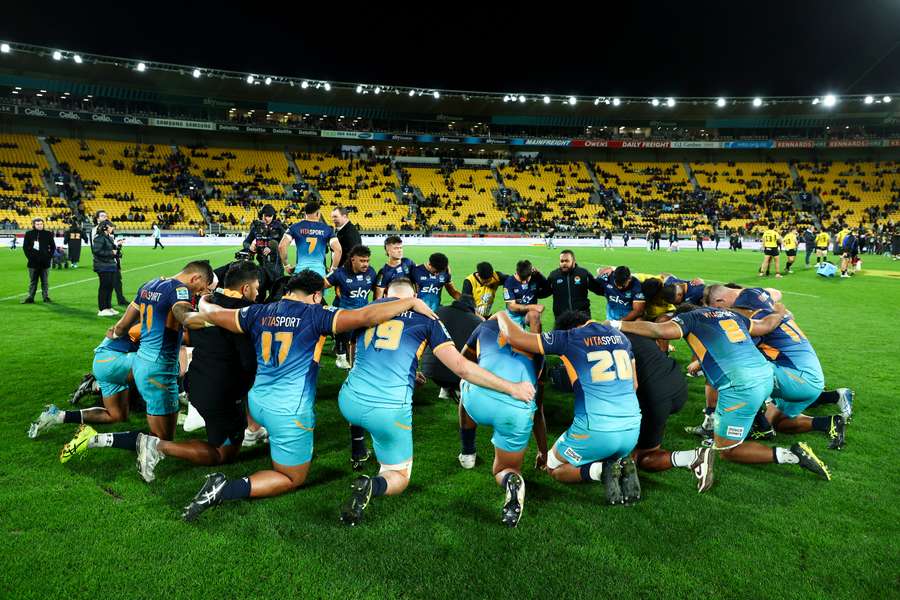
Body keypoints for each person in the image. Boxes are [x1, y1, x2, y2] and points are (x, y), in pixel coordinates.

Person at [179, 271, 438, 521]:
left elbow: (215, 314)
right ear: (316, 295)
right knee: (291, 477)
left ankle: (260, 438)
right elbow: (367, 316)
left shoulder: (258, 311)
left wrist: (204, 300)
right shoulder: (315, 314)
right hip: (289, 412)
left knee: (284, 441)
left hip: (257, 403)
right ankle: (223, 489)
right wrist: (412, 301)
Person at [336, 277, 536, 526]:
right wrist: (512, 388)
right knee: (397, 473)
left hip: (348, 399)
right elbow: (462, 368)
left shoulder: (367, 310)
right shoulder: (426, 318)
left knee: (362, 406)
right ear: (415, 295)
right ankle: (372, 485)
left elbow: (358, 354)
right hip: (387, 410)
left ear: (386, 293)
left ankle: (358, 448)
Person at [616, 305, 832, 492]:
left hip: (742, 385)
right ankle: (756, 425)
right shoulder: (729, 315)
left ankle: (792, 454)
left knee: (728, 450)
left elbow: (659, 330)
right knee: (737, 400)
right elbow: (765, 326)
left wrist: (617, 324)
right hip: (767, 376)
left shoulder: (691, 318)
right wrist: (780, 311)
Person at [59, 261, 214, 469]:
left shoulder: (149, 285)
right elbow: (183, 314)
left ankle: (101, 438)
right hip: (159, 368)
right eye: (203, 287)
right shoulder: (180, 289)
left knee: (159, 437)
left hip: (141, 363)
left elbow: (123, 326)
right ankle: (94, 439)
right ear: (195, 278)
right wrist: (217, 319)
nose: (200, 292)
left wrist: (113, 334)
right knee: (162, 440)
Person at [125, 261, 264, 482]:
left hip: (194, 383)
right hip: (215, 390)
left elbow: (188, 334)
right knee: (222, 453)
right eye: (256, 288)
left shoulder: (205, 302)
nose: (258, 293)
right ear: (245, 289)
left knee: (216, 422)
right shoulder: (242, 313)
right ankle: (157, 446)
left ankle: (236, 428)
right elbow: (249, 363)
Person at [496, 310, 641, 505]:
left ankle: (602, 471)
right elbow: (634, 385)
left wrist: (500, 315)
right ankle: (619, 462)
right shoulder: (621, 337)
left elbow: (515, 337)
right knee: (601, 446)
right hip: (632, 432)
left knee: (553, 467)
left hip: (595, 431)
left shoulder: (569, 337)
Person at [457, 318, 548, 527]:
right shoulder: (539, 352)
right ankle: (510, 480)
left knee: (466, 383)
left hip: (479, 400)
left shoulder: (486, 326)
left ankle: (468, 452)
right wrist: (543, 451)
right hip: (516, 410)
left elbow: (462, 361)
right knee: (504, 468)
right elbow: (538, 409)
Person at [28, 332, 138, 438]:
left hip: (105, 362)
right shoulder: (144, 316)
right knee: (152, 369)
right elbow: (122, 328)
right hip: (114, 358)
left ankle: (59, 416)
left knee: (118, 416)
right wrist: (118, 331)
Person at [623, 331, 688, 473]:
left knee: (642, 457)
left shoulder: (586, 345)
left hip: (656, 398)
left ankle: (691, 457)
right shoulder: (630, 333)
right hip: (678, 386)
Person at [420, 293, 483, 401]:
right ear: (473, 308)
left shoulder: (439, 311)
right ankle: (459, 390)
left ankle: (444, 389)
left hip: (429, 372)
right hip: (458, 374)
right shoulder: (477, 322)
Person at [325, 244, 377, 370]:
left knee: (362, 343)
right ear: (353, 259)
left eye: (367, 260)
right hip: (346, 314)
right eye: (362, 261)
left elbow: (377, 290)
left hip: (364, 314)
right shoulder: (340, 273)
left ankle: (356, 364)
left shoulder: (371, 272)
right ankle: (342, 357)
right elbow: (323, 285)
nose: (366, 264)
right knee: (346, 339)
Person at [540, 249, 605, 323]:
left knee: (584, 334)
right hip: (561, 317)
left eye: (567, 261)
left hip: (582, 316)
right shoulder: (554, 275)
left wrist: (610, 287)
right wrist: (537, 277)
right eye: (562, 261)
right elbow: (544, 293)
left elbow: (598, 289)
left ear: (573, 261)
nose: (564, 263)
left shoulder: (583, 273)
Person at [279, 201, 341, 277]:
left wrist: (286, 265)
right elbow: (338, 250)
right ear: (318, 213)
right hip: (319, 273)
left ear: (305, 214)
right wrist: (333, 268)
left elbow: (281, 246)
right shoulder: (327, 229)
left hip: (300, 272)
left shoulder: (295, 227)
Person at [243, 204, 286, 303]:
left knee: (276, 296)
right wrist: (250, 246)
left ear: (273, 216)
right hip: (261, 267)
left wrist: (273, 248)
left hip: (276, 268)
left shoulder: (279, 227)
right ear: (261, 215)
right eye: (265, 216)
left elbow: (284, 243)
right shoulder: (256, 227)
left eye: (269, 216)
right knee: (258, 296)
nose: (267, 218)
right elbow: (246, 242)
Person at [503, 260, 546, 330]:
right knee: (515, 339)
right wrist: (532, 306)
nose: (524, 282)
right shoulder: (509, 282)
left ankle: (535, 340)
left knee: (535, 316)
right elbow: (512, 306)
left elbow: (547, 287)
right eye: (521, 279)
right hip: (514, 315)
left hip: (528, 313)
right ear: (517, 273)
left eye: (526, 279)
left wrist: (540, 274)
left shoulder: (535, 276)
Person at [22, 218, 54, 304]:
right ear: (34, 225)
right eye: (37, 224)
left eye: (41, 224)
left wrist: (49, 257)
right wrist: (30, 257)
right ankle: (30, 297)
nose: (40, 225)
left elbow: (53, 247)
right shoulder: (28, 234)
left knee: (45, 281)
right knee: (33, 281)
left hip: (45, 262)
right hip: (33, 263)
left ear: (43, 224)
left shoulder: (48, 234)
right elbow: (25, 247)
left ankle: (46, 297)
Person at [91, 221, 121, 317]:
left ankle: (108, 307)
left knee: (110, 286)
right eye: (110, 227)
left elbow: (113, 251)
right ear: (105, 227)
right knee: (104, 287)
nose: (112, 228)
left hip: (110, 265)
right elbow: (97, 251)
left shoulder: (108, 238)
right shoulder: (99, 238)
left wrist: (118, 250)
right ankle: (102, 308)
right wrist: (112, 252)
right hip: (102, 266)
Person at [374, 235, 416, 299]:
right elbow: (378, 297)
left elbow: (417, 279)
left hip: (410, 302)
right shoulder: (384, 272)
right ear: (388, 251)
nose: (399, 250)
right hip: (394, 305)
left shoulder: (408, 262)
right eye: (396, 248)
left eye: (401, 247)